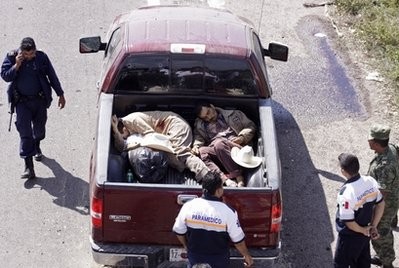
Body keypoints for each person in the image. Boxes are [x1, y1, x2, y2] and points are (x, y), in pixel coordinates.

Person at [1, 37, 66, 179]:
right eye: (26, 54)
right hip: (22, 103)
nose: (29, 57)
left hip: (39, 100)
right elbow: (5, 76)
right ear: (21, 52)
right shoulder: (12, 57)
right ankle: (29, 167)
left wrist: (60, 94)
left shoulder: (41, 58)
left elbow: (52, 76)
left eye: (32, 54)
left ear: (35, 50)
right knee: (25, 133)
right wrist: (16, 65)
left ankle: (37, 144)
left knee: (39, 130)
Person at [172, 171, 254, 268]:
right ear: (219, 191)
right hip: (219, 260)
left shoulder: (189, 206)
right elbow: (238, 241)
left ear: (203, 188)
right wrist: (247, 256)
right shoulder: (228, 212)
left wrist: (186, 246)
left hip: (195, 258)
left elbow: (178, 231)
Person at [111, 111, 210, 182]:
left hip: (176, 126)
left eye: (125, 135)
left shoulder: (133, 120)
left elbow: (151, 137)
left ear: (124, 128)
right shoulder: (125, 127)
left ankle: (206, 174)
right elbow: (121, 146)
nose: (127, 137)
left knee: (182, 155)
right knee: (175, 160)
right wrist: (116, 131)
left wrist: (135, 145)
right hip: (167, 132)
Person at [334, 153, 385, 268]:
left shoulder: (346, 193)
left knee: (341, 264)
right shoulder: (370, 181)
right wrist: (373, 226)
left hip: (349, 238)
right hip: (364, 236)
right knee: (363, 263)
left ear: (343, 171)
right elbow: (381, 204)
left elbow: (349, 222)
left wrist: (363, 230)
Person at [192, 102, 257, 187]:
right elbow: (198, 138)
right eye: (205, 118)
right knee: (202, 151)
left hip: (236, 148)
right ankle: (224, 179)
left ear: (212, 106)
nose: (209, 117)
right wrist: (196, 147)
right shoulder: (200, 125)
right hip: (218, 151)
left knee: (219, 143)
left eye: (208, 112)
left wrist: (242, 137)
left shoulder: (234, 114)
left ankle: (239, 177)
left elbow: (251, 126)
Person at [367, 124, 399, 267]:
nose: (368, 141)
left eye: (370, 139)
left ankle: (387, 262)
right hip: (393, 194)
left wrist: (373, 215)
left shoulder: (385, 166)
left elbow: (382, 196)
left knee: (380, 233)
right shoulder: (389, 148)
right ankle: (383, 256)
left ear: (375, 143)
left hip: (386, 204)